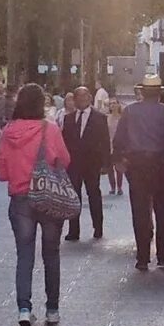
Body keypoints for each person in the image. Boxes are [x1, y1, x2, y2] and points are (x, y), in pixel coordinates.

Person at [0, 82, 74, 326]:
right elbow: (65, 159)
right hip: (48, 197)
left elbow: (2, 172)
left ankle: (24, 308)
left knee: (24, 254)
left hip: (20, 198)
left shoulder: (8, 131)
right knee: (51, 253)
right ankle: (52, 309)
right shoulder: (49, 129)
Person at [115, 78, 164, 271]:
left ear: (142, 92)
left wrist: (119, 160)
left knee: (140, 211)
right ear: (159, 93)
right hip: (159, 163)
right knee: (163, 210)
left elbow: (119, 138)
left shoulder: (129, 111)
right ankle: (163, 255)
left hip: (136, 165)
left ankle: (142, 257)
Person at [58, 83, 112, 244]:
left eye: (85, 96)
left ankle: (98, 227)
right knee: (74, 196)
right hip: (73, 164)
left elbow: (105, 141)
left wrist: (106, 163)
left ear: (89, 98)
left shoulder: (100, 118)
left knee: (94, 194)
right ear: (74, 100)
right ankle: (74, 230)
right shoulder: (68, 119)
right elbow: (64, 142)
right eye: (78, 97)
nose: (82, 100)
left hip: (92, 163)